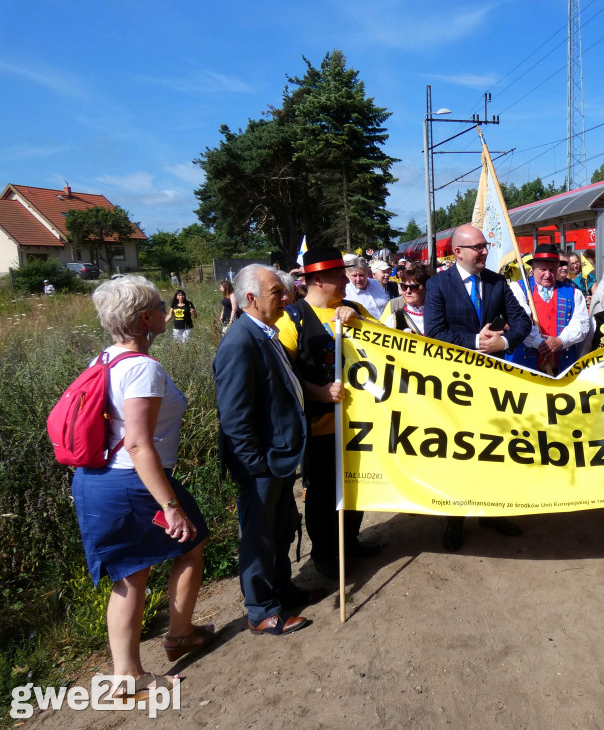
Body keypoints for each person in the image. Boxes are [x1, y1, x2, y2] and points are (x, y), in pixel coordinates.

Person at [72, 276, 212, 694]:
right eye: (159, 306)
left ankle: (137, 665)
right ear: (145, 318)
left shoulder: (105, 358)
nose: (168, 312)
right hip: (132, 482)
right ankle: (159, 651)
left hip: (96, 479)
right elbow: (137, 443)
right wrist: (169, 505)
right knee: (189, 543)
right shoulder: (142, 368)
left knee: (131, 574)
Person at [213, 264, 318, 635]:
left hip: (279, 459)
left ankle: (282, 588)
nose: (286, 297)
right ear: (252, 299)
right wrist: (257, 465)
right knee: (259, 536)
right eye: (277, 292)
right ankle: (261, 610)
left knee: (282, 527)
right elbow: (235, 417)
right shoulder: (240, 343)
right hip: (262, 464)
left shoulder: (265, 333)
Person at [424, 224, 532, 552]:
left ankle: (492, 512)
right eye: (477, 247)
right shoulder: (438, 285)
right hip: (455, 387)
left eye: (485, 246)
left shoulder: (498, 282)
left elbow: (523, 322)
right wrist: (474, 342)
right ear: (458, 252)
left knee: (494, 449)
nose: (484, 251)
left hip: (492, 384)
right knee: (460, 452)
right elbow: (434, 333)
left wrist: (503, 341)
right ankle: (455, 520)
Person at [276, 248, 380, 579]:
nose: (346, 281)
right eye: (339, 277)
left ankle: (350, 539)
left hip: (358, 425)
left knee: (355, 485)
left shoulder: (355, 309)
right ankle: (324, 552)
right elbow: (283, 373)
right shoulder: (293, 319)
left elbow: (389, 348)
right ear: (318, 280)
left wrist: (359, 320)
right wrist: (316, 391)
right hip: (319, 427)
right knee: (321, 494)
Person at [509, 244, 591, 374]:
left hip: (563, 366)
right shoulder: (518, 289)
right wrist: (542, 344)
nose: (547, 275)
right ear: (533, 267)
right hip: (524, 365)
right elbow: (520, 322)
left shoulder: (574, 293)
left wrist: (560, 341)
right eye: (542, 269)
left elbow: (581, 324)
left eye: (552, 270)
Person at [382, 262, 430, 334]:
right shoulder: (394, 319)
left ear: (426, 288)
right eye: (404, 286)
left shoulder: (439, 315)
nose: (408, 291)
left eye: (413, 287)